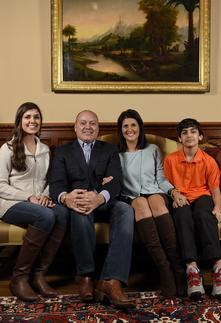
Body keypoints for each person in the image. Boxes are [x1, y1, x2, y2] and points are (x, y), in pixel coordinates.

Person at [48, 110, 136, 309]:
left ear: (98, 128)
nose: (88, 127)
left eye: (93, 123)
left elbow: (116, 182)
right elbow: (56, 185)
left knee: (125, 210)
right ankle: (86, 276)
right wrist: (66, 198)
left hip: (102, 200)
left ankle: (111, 280)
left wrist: (100, 197)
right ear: (75, 127)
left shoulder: (109, 150)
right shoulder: (63, 151)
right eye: (83, 123)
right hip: (76, 201)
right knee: (79, 213)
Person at [0, 102, 69, 302]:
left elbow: (48, 181)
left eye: (36, 117)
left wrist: (44, 195)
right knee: (45, 215)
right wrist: (29, 197)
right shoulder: (7, 148)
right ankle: (19, 278)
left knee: (62, 213)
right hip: (11, 204)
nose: (32, 121)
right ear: (19, 121)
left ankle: (38, 275)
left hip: (38, 203)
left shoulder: (44, 149)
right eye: (27, 117)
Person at [116, 109, 185, 298]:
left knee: (154, 200)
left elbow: (161, 179)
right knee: (140, 203)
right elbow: (115, 182)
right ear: (121, 130)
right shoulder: (116, 154)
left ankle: (178, 266)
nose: (130, 129)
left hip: (155, 192)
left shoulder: (152, 149)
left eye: (133, 125)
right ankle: (164, 269)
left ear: (140, 127)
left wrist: (173, 191)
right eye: (125, 126)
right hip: (131, 197)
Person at [163, 118, 221, 300]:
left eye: (193, 132)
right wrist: (175, 194)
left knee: (203, 214)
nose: (189, 135)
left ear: (200, 136)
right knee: (183, 215)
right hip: (181, 198)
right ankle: (192, 270)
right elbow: (165, 184)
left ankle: (219, 269)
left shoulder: (209, 161)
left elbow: (215, 190)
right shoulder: (170, 160)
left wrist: (217, 208)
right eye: (184, 132)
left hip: (202, 197)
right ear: (180, 138)